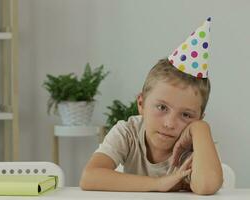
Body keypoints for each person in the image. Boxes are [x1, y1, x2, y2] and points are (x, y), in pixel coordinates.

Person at [79, 17, 223, 195]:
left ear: (199, 118)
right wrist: (158, 183)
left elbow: (207, 186)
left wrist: (201, 128)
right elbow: (90, 177)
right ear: (141, 103)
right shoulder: (128, 132)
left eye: (186, 115)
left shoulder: (197, 144)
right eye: (162, 108)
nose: (170, 123)